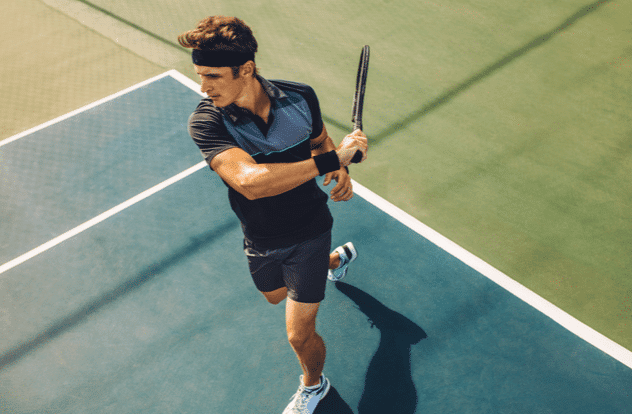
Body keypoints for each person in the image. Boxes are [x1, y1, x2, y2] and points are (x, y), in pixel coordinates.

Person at [178, 16, 367, 414]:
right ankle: (332, 262)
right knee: (274, 296)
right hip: (261, 237)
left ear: (245, 70)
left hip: (311, 226)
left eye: (212, 76)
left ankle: (314, 386)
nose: (203, 87)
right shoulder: (207, 120)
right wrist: (337, 158)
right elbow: (250, 181)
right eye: (199, 75)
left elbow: (319, 142)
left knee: (299, 335)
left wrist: (338, 166)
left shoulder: (300, 97)